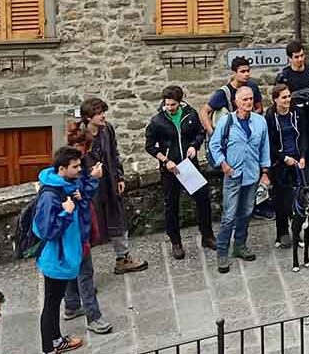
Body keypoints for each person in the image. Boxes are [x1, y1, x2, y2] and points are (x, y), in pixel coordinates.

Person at [30, 148, 95, 354]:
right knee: (50, 304)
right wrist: (66, 211)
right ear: (61, 169)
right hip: (55, 259)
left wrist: (78, 197)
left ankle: (56, 340)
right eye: (75, 167)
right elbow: (46, 231)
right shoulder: (50, 196)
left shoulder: (67, 187)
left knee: (56, 300)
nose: (79, 170)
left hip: (65, 256)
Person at [77, 98, 147, 274]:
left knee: (118, 220)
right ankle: (83, 273)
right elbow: (73, 167)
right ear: (88, 117)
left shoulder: (107, 129)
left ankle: (123, 258)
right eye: (98, 114)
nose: (103, 116)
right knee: (89, 227)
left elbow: (114, 153)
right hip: (90, 188)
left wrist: (119, 177)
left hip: (109, 183)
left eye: (103, 112)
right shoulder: (78, 138)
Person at [58, 120, 114, 335]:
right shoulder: (72, 174)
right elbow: (82, 198)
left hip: (73, 231)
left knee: (75, 270)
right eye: (85, 149)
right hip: (76, 231)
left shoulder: (62, 172)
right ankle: (94, 317)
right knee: (86, 274)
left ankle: (71, 305)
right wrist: (93, 179)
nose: (86, 155)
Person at [145, 84, 211, 259]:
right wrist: (165, 160)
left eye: (173, 105)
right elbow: (150, 146)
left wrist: (194, 146)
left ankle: (207, 235)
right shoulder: (157, 121)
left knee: (203, 199)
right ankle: (176, 242)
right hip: (171, 169)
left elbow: (200, 133)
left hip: (189, 165)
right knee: (171, 206)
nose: (169, 108)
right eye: (167, 104)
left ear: (179, 102)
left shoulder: (191, 114)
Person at [211, 84, 273, 269]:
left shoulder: (260, 122)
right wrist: (224, 165)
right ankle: (222, 252)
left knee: (246, 212)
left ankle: (240, 245)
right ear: (236, 102)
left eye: (250, 99)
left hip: (252, 175)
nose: (248, 102)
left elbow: (265, 148)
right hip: (233, 175)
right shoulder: (226, 121)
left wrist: (265, 173)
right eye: (244, 99)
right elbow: (214, 145)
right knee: (229, 216)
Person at [266, 84, 309, 251]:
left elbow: (303, 135)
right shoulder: (270, 117)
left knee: (308, 192)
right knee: (281, 197)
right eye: (283, 97)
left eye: (289, 96)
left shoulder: (297, 113)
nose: (287, 100)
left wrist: (303, 155)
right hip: (280, 161)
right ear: (275, 99)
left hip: (298, 159)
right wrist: (283, 158)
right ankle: (283, 232)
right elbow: (269, 143)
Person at [273, 41, 309, 184]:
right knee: (296, 155)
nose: (300, 59)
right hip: (293, 122)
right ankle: (297, 191)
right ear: (290, 58)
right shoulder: (284, 76)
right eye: (296, 57)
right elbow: (278, 98)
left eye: (302, 55)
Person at [204, 58, 264, 134]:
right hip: (231, 134)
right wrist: (213, 133)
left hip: (250, 131)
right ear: (234, 73)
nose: (246, 74)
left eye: (248, 71)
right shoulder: (224, 92)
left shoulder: (253, 87)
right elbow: (203, 112)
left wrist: (251, 116)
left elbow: (259, 108)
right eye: (242, 71)